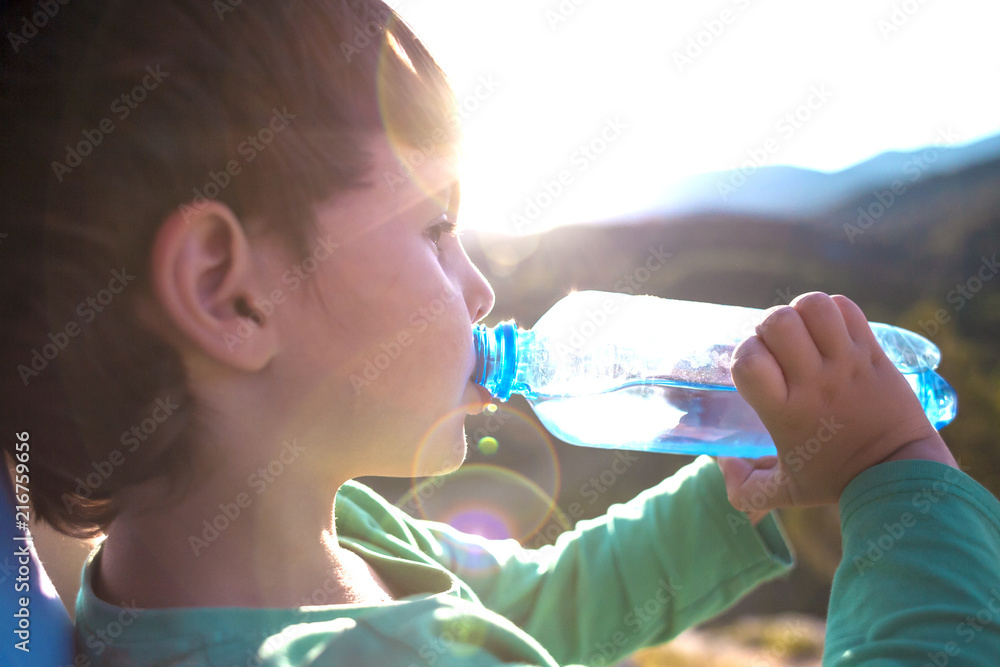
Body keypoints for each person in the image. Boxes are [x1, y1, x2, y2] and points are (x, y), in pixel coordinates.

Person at [1, 1, 997, 665]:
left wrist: (725, 504)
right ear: (229, 296)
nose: (478, 289)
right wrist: (900, 473)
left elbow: (541, 610)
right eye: (437, 229)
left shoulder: (316, 541)